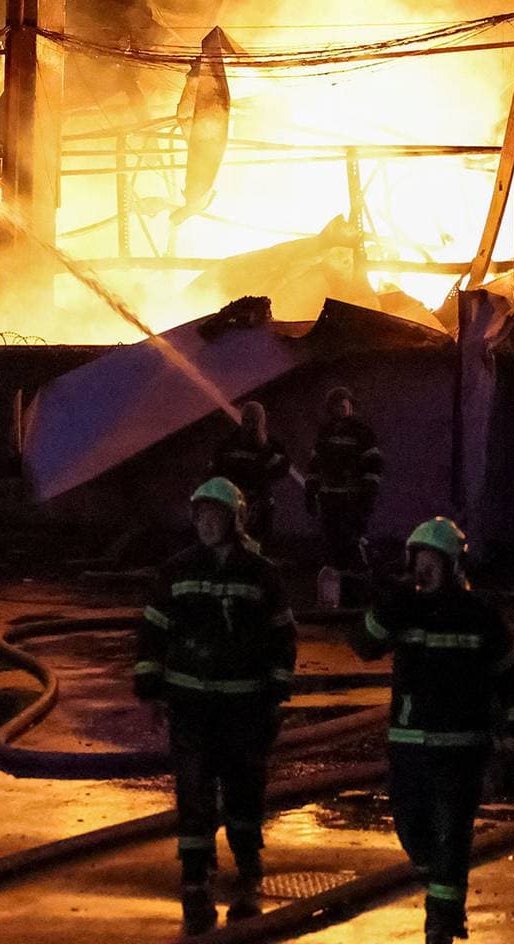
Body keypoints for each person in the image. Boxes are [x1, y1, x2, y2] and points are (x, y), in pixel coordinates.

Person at [350, 518, 514, 944]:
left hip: (462, 748)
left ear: (454, 565)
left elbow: (510, 679)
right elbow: (362, 645)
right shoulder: (403, 608)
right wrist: (386, 604)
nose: (424, 566)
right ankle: (440, 892)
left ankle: (441, 925)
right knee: (411, 830)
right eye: (419, 557)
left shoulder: (481, 617)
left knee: (452, 836)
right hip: (409, 745)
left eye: (433, 558)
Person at [135, 478, 298, 934]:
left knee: (245, 785)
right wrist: (150, 691)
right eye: (201, 515)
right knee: (193, 788)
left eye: (215, 516)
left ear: (234, 521)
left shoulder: (261, 574)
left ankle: (247, 854)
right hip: (191, 704)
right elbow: (152, 632)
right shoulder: (176, 571)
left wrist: (275, 694)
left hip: (246, 707)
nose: (206, 523)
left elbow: (282, 636)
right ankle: (194, 869)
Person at [306, 386, 383, 604]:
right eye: (335, 406)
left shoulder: (362, 432)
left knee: (353, 544)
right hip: (329, 500)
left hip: (352, 501)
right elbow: (315, 464)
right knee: (332, 547)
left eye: (343, 405)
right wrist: (310, 492)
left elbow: (374, 464)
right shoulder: (325, 432)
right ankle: (335, 598)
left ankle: (361, 594)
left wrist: (367, 495)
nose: (339, 409)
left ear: (350, 406)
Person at [209, 401, 291, 544]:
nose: (251, 425)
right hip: (234, 504)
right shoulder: (229, 445)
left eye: (255, 420)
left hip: (260, 504)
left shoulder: (272, 447)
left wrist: (261, 474)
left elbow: (282, 469)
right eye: (247, 420)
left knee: (259, 545)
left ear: (262, 421)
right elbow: (214, 470)